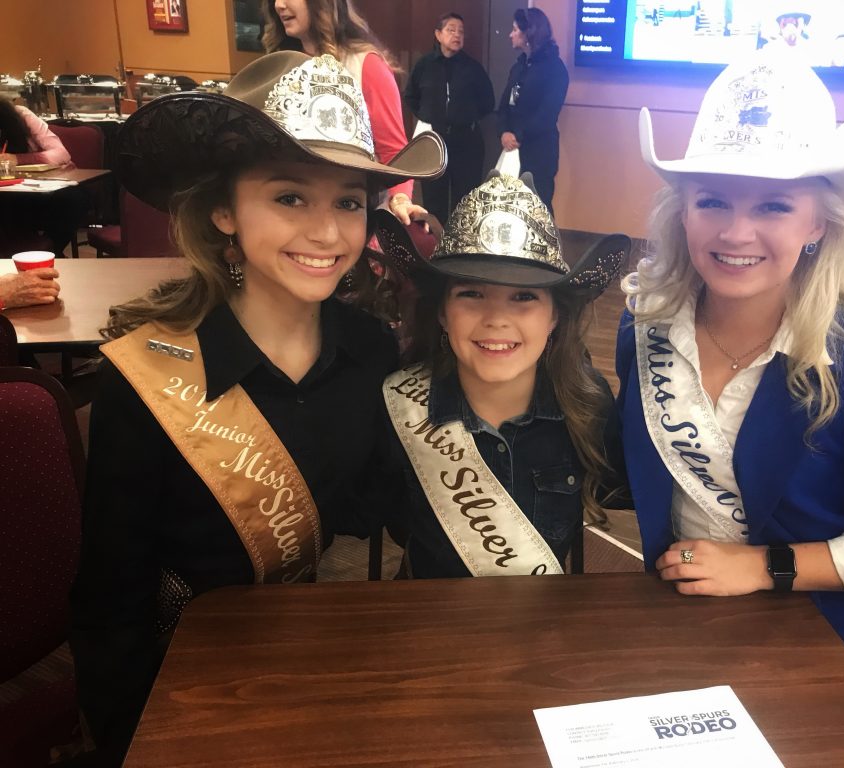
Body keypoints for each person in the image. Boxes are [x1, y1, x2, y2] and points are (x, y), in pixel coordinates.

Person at [69, 51, 445, 764]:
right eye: (289, 196)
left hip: (322, 672)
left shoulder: (371, 351)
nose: (328, 233)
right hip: (181, 692)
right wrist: (127, 741)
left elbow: (376, 512)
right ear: (222, 211)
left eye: (348, 201)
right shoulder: (143, 378)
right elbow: (110, 602)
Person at [617, 50, 844, 731]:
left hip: (840, 647)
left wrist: (764, 567)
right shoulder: (644, 326)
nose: (735, 231)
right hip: (683, 625)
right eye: (711, 199)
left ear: (817, 224)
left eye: (774, 205)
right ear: (682, 211)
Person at [372, 173, 631, 578]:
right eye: (471, 294)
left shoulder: (588, 403)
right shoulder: (397, 406)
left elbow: (635, 500)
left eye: (524, 297)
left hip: (541, 626)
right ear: (442, 312)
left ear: (554, 316)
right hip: (427, 622)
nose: (496, 319)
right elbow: (391, 519)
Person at [263, 0, 426, 226]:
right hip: (286, 214)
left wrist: (400, 199)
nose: (279, 4)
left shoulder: (364, 65)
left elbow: (394, 152)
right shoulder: (276, 65)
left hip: (348, 217)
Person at [405, 12, 495, 226]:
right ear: (438, 34)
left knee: (464, 199)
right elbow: (411, 96)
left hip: (466, 141)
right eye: (451, 30)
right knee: (433, 198)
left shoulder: (472, 68)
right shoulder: (425, 65)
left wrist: (466, 116)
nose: (457, 35)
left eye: (461, 31)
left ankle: (460, 247)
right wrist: (428, 115)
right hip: (434, 140)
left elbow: (487, 102)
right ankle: (434, 247)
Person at [496, 8, 568, 215]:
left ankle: (544, 248)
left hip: (539, 151)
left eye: (515, 29)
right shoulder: (519, 66)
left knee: (537, 209)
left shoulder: (554, 69)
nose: (510, 34)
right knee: (510, 209)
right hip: (512, 149)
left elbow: (547, 114)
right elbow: (504, 105)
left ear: (529, 33)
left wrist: (518, 135)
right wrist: (503, 131)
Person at [0, 99, 83, 256]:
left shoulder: (21, 116)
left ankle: (48, 251)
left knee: (75, 199)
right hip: (7, 195)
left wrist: (17, 159)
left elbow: (62, 154)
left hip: (37, 191)